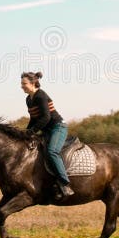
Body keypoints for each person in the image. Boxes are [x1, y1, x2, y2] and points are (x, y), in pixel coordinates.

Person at [20, 71, 74, 199]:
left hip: (58, 127)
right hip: (46, 130)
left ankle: (65, 183)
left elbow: (45, 118)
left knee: (52, 152)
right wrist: (25, 134)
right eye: (21, 84)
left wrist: (32, 131)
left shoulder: (41, 96)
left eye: (24, 84)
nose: (22, 86)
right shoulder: (29, 99)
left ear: (33, 83)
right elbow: (34, 119)